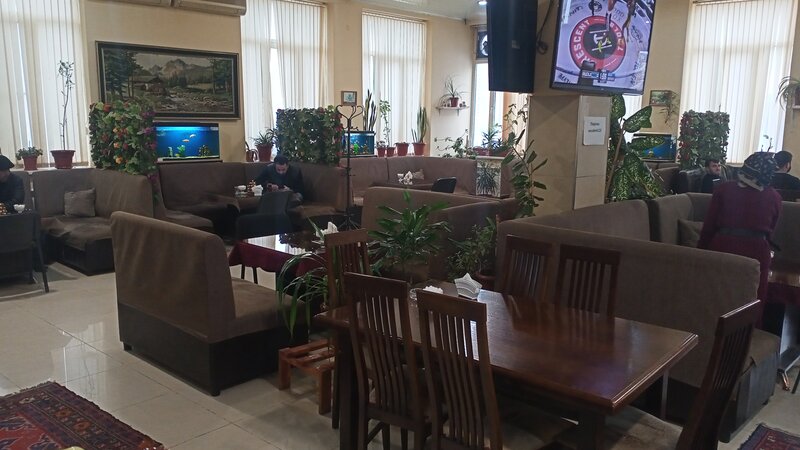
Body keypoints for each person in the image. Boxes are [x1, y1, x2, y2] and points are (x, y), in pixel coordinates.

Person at [698, 152, 782, 303]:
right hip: (757, 252)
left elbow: (709, 227)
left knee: (715, 299)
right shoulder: (774, 196)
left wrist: (700, 253)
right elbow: (771, 232)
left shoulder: (724, 189)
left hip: (722, 249)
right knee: (753, 300)